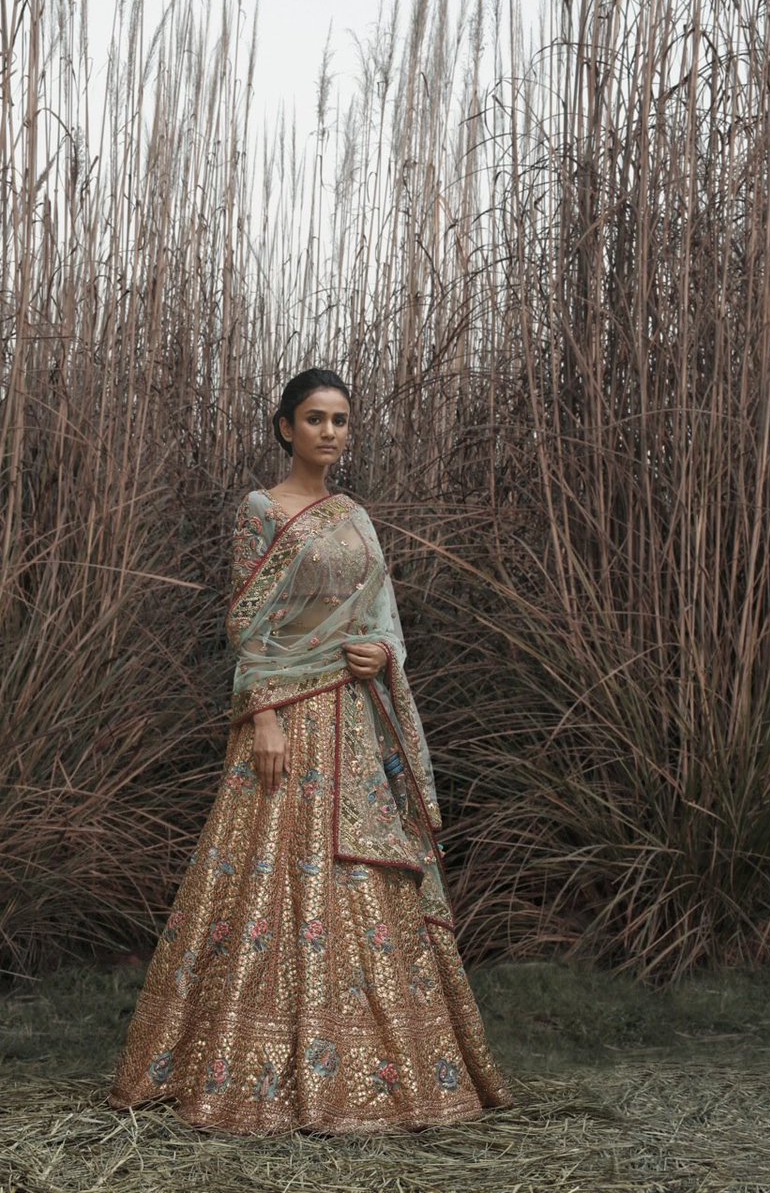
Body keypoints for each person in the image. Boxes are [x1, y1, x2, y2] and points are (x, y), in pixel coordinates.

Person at [107, 367, 514, 1135]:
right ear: (285, 427)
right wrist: (262, 715)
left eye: (340, 420)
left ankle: (384, 1076)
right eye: (316, 419)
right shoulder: (260, 511)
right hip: (284, 720)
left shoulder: (354, 516)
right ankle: (241, 1070)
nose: (330, 432)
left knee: (362, 871)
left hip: (354, 720)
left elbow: (382, 617)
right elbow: (247, 625)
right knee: (264, 867)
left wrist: (380, 655)